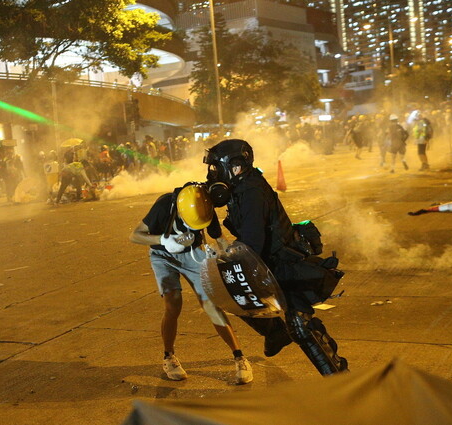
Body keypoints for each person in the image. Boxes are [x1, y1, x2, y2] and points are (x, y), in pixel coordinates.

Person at [203, 139, 347, 369]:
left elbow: (252, 242)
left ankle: (339, 376)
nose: (213, 174)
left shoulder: (251, 192)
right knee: (297, 323)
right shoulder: (241, 187)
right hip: (269, 262)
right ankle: (277, 334)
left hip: (282, 263)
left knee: (299, 325)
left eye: (217, 168)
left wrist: (229, 258)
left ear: (236, 166)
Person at [129, 183, 253, 384]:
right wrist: (163, 240)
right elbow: (135, 235)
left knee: (211, 305)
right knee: (173, 303)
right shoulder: (165, 204)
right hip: (163, 255)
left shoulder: (205, 205)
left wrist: (227, 254)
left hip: (192, 254)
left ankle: (239, 357)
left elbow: (218, 237)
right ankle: (168, 357)